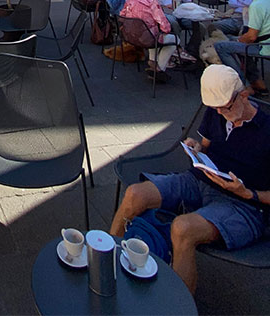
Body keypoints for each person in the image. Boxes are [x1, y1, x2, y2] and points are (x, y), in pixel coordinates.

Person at [111, 65, 270, 292]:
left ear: (243, 94)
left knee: (182, 228)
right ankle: (106, 258)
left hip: (243, 206)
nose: (219, 113)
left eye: (224, 108)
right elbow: (205, 149)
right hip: (201, 180)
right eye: (214, 108)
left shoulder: (266, 130)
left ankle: (178, 305)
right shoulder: (215, 112)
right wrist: (196, 149)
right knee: (135, 194)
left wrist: (247, 193)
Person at [214, 0, 270, 92]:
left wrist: (237, 40)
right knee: (234, 43)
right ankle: (255, 80)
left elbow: (251, 37)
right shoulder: (266, 1)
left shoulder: (256, 5)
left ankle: (243, 85)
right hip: (265, 43)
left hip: (264, 47)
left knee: (221, 46)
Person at [120, 0, 182, 81]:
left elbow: (122, 16)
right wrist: (166, 30)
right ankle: (159, 69)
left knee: (153, 36)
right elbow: (163, 23)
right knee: (174, 39)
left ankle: (152, 61)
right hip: (148, 37)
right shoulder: (151, 1)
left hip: (131, 36)